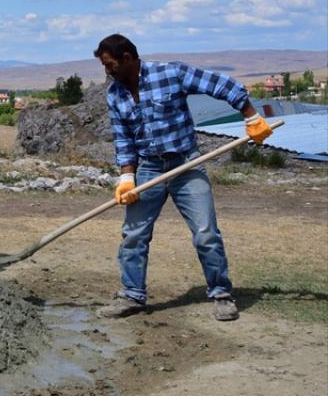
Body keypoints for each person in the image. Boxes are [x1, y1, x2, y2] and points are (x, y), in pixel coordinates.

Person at [93, 34, 272, 322]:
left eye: (109, 64)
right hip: (149, 168)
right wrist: (127, 178)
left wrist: (251, 116)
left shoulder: (171, 73)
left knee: (205, 233)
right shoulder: (115, 93)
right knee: (134, 235)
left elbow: (221, 85)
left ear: (127, 58)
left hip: (186, 164)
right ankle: (132, 295)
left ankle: (221, 295)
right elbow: (123, 139)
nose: (107, 71)